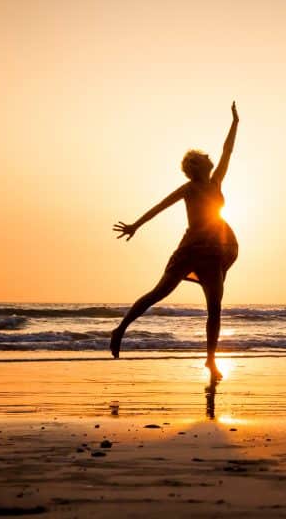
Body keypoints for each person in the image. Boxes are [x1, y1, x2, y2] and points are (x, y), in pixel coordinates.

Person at [110, 102, 240, 379]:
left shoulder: (216, 182)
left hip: (214, 251)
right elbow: (160, 207)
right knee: (159, 293)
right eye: (203, 157)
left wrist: (235, 123)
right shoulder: (189, 189)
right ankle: (120, 329)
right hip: (190, 250)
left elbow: (228, 151)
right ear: (196, 166)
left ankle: (211, 361)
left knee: (215, 308)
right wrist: (136, 225)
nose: (210, 157)